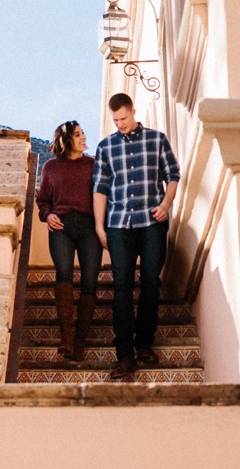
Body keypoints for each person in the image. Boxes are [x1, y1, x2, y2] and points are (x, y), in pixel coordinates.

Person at [92, 92, 180, 379]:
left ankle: (144, 344)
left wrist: (165, 206)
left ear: (133, 111)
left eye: (123, 118)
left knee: (151, 281)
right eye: (115, 120)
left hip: (152, 221)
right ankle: (125, 355)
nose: (120, 124)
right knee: (121, 287)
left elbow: (173, 175)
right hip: (118, 224)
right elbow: (100, 189)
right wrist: (99, 226)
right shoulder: (106, 147)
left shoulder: (157, 139)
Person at [36, 119, 101, 364]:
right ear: (66, 140)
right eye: (77, 134)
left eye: (83, 133)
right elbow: (43, 201)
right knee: (63, 274)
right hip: (61, 226)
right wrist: (47, 215)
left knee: (90, 280)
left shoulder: (94, 165)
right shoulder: (51, 168)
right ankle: (66, 337)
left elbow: (104, 195)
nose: (84, 137)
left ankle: (80, 340)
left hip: (88, 227)